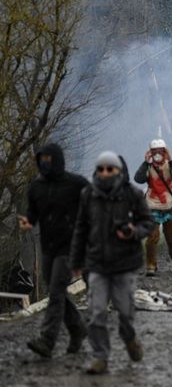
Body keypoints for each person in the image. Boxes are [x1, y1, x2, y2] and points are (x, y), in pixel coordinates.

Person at [70, 151, 154, 374]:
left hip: (124, 265)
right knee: (96, 313)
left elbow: (148, 222)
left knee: (125, 313)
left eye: (110, 169)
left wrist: (134, 232)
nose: (105, 173)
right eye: (101, 169)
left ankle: (130, 338)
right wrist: (76, 260)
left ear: (118, 170)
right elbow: (80, 229)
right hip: (96, 264)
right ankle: (100, 357)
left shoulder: (132, 195)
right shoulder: (88, 195)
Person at [19, 143, 88, 358]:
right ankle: (78, 329)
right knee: (56, 290)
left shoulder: (76, 183)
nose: (45, 163)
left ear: (57, 160)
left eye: (49, 159)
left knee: (57, 290)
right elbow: (33, 214)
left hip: (71, 247)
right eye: (41, 159)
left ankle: (47, 340)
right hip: (48, 247)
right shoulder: (36, 188)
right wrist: (28, 222)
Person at [134, 138, 172, 275]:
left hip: (169, 205)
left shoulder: (170, 165)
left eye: (160, 151)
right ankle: (151, 265)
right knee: (152, 237)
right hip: (152, 205)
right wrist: (146, 162)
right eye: (154, 151)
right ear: (150, 152)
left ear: (165, 151)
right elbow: (138, 179)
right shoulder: (148, 166)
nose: (158, 154)